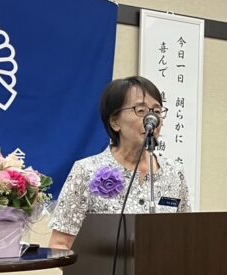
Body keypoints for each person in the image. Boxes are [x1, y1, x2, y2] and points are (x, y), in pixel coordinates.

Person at [49, 76, 190, 249]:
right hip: (101, 267)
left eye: (156, 111)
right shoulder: (87, 171)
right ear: (115, 121)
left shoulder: (174, 172)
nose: (151, 119)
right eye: (141, 110)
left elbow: (186, 236)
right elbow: (60, 244)